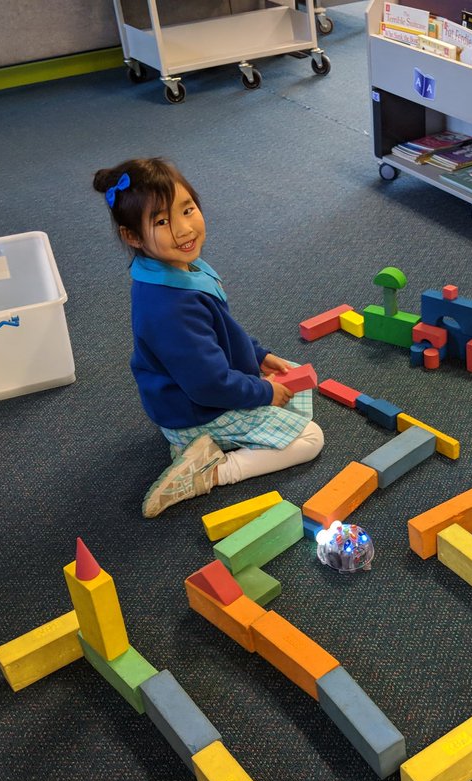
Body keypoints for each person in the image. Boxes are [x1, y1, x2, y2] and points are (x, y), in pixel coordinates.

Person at [93, 158, 323, 518]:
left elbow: (218, 331)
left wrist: (258, 356)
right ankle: (210, 472)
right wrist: (262, 391)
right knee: (310, 439)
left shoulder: (171, 268)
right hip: (197, 410)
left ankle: (199, 445)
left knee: (292, 376)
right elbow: (209, 385)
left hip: (192, 393)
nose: (184, 229)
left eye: (187, 209)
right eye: (162, 221)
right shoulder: (171, 307)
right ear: (133, 236)